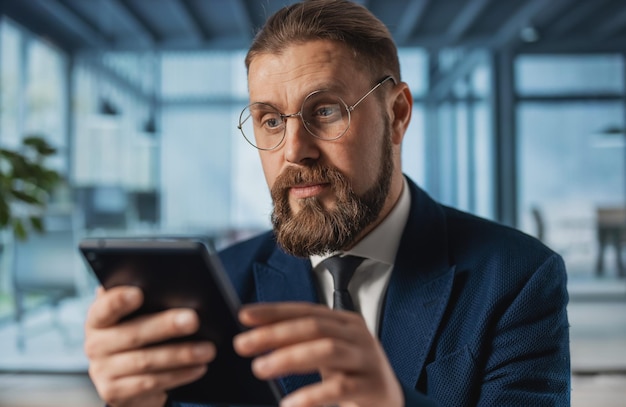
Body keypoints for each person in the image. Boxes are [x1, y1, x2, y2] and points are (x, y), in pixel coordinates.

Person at [84, 0, 571, 406]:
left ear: (397, 115)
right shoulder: (224, 285)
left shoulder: (517, 277)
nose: (294, 150)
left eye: (326, 110)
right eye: (271, 120)